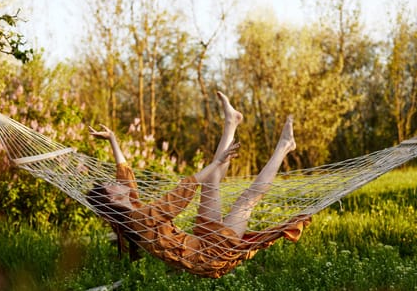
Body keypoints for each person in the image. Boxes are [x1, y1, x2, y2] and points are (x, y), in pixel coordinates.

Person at [87, 92, 310, 278]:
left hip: (200, 241)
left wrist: (113, 139)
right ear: (114, 199)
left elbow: (126, 176)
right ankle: (285, 146)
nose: (116, 182)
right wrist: (216, 162)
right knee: (246, 200)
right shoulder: (140, 218)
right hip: (212, 255)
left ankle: (231, 122)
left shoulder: (133, 209)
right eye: (112, 185)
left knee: (212, 181)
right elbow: (180, 195)